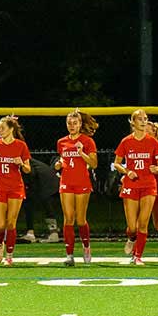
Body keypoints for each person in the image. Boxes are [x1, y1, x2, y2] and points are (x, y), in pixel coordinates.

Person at [113, 109, 158, 266]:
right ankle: (131, 237)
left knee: (143, 223)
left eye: (146, 119)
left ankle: (137, 256)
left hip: (148, 185)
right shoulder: (126, 141)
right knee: (132, 226)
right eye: (140, 119)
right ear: (133, 122)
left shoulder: (153, 142)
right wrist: (127, 171)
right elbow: (117, 163)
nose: (144, 122)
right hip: (131, 185)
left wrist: (157, 169)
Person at [54, 109, 99, 266]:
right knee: (68, 218)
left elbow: (94, 164)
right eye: (69, 123)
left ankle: (86, 246)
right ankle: (69, 254)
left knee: (80, 219)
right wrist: (59, 164)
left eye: (75, 123)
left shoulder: (87, 141)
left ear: (80, 124)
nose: (72, 126)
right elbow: (62, 158)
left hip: (82, 183)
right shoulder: (61, 142)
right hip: (66, 182)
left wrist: (81, 153)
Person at [0, 115, 32, 266]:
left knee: (11, 223)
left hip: (15, 186)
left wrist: (21, 163)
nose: (0, 131)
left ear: (11, 129)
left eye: (3, 128)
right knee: (0, 225)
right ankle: (0, 244)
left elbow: (28, 169)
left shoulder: (21, 146)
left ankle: (10, 255)